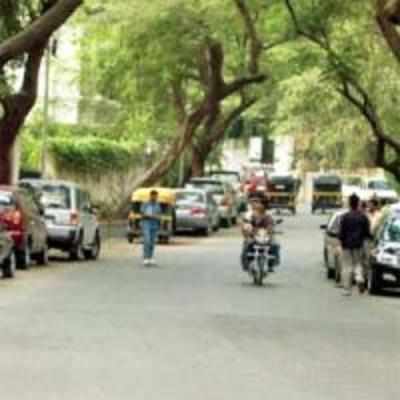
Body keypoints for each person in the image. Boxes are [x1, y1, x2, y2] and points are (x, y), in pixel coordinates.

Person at [339, 194, 372, 296]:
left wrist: (341, 243)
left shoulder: (345, 217)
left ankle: (347, 289)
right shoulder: (363, 217)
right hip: (358, 244)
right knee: (358, 264)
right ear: (358, 203)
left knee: (347, 266)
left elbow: (341, 233)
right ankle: (359, 278)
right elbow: (367, 232)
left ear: (349, 203)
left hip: (346, 245)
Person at [241, 194, 278, 272]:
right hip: (254, 236)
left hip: (265, 237)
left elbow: (270, 225)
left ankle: (271, 264)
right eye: (256, 203)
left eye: (260, 203)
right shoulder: (250, 215)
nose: (257, 205)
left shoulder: (268, 216)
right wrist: (247, 230)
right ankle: (246, 263)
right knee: (247, 244)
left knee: (275, 245)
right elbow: (245, 224)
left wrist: (270, 231)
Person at [140, 190, 162, 266]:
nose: (155, 197)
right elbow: (143, 214)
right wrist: (151, 216)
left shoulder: (157, 205)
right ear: (151, 196)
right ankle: (145, 257)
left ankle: (150, 257)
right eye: (154, 196)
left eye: (156, 196)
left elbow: (159, 214)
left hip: (154, 224)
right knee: (147, 240)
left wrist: (158, 218)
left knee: (152, 242)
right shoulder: (145, 204)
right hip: (146, 223)